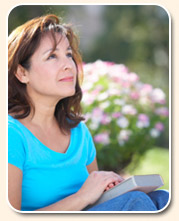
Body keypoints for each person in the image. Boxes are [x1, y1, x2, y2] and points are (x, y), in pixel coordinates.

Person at [8, 14, 169, 212]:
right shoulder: (11, 135)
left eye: (68, 54)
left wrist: (107, 187)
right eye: (52, 56)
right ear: (22, 73)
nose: (69, 65)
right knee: (135, 202)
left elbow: (96, 202)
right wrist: (82, 196)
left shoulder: (78, 132)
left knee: (163, 199)